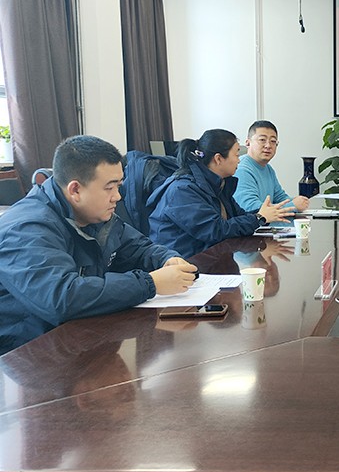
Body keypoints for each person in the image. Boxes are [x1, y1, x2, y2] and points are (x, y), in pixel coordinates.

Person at [0, 135, 196, 355]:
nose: (118, 197)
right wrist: (150, 284)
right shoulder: (25, 229)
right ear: (75, 190)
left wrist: (167, 259)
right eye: (109, 188)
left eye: (119, 186)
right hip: (25, 355)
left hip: (78, 339)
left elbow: (138, 247)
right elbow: (62, 298)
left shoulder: (93, 215)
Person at [148, 129, 292, 258]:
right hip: (184, 263)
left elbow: (238, 216)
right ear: (218, 159)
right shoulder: (182, 190)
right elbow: (215, 230)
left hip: (212, 257)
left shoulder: (219, 184)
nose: (239, 160)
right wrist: (259, 218)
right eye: (236, 154)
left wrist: (264, 214)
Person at [234, 120, 310, 216]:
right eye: (262, 140)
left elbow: (280, 198)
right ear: (248, 143)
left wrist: (298, 201)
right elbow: (251, 208)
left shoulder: (268, 168)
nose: (268, 146)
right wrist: (293, 206)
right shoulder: (242, 170)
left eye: (273, 141)